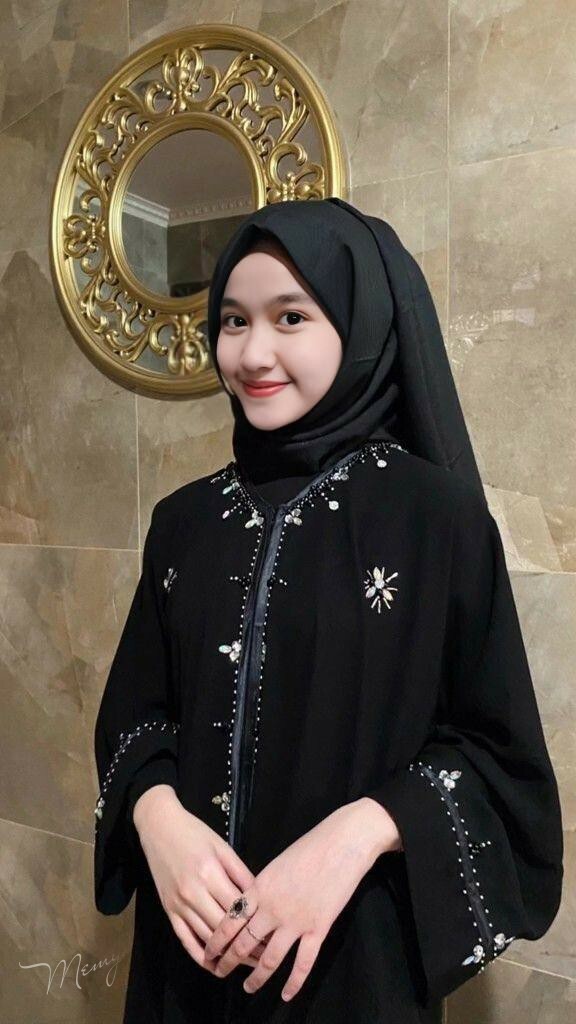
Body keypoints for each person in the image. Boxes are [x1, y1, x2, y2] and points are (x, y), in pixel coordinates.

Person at [93, 197, 564, 1024]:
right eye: (233, 320)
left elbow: (499, 762)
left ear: (360, 322)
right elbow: (138, 713)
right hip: (184, 963)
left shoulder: (437, 521)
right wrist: (157, 817)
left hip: (351, 971)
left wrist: (359, 834)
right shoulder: (183, 523)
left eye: (291, 317)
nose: (252, 352)